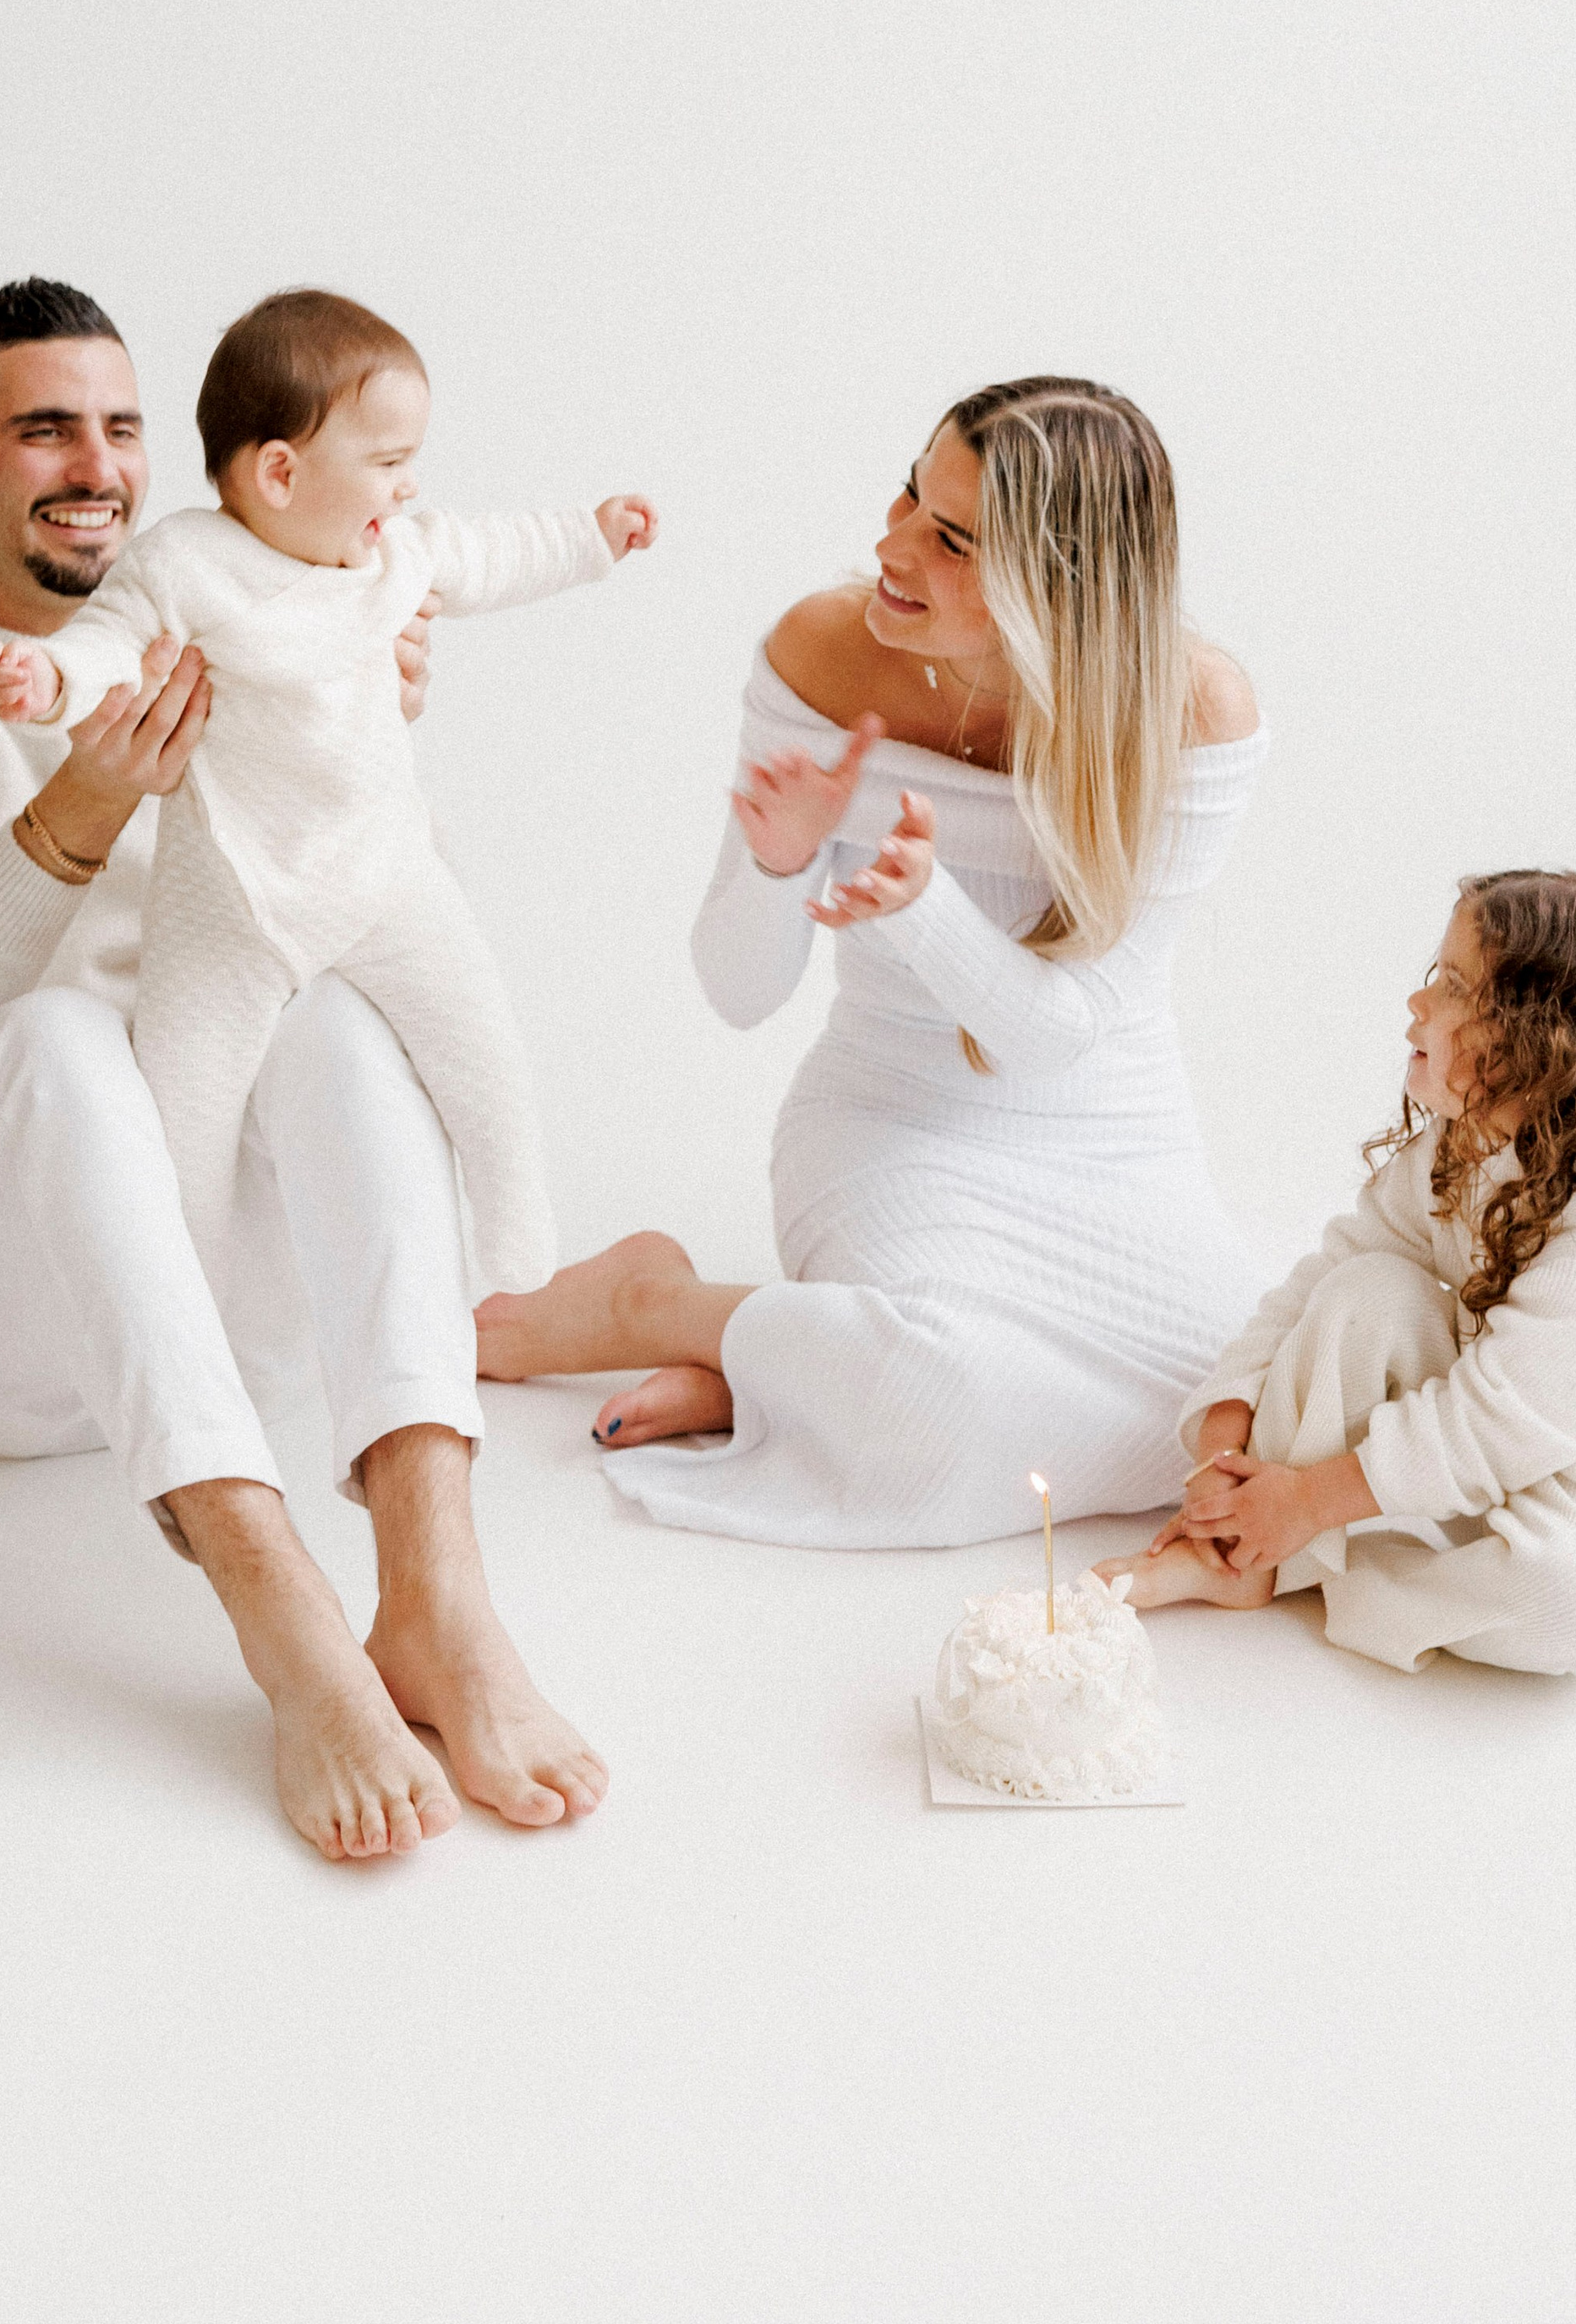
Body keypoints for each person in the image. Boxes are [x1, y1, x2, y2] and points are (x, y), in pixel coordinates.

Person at [0, 275, 608, 1861]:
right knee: (51, 1035)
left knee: (337, 1004)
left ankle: (437, 1596)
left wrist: (351, 738)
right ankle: (286, 1620)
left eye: (123, 428)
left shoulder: (259, 612)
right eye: (43, 430)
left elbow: (386, 931)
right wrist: (74, 813)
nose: (98, 468)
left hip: (204, 1281)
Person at [477, 375, 1270, 1547]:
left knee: (1234, 1414)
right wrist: (782, 859)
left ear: (1058, 582)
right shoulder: (823, 651)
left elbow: (1056, 1035)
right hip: (893, 1125)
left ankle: (758, 1365)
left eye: (952, 540)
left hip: (1109, 1137)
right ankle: (651, 1302)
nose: (892, 545)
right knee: (943, 1397)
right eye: (910, 495)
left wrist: (922, 905)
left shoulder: (1192, 707)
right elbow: (738, 993)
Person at [0, 287, 656, 1294]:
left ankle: (514, 1227)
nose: (408, 485)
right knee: (183, 1104)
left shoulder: (397, 552)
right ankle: (195, 1291)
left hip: (384, 868)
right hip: (230, 894)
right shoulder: (187, 563)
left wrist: (591, 537)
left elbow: (495, 552)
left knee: (478, 1047)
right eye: (387, 462)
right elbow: (110, 641)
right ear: (281, 473)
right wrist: (49, 679)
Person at [1101, 872, 1576, 1675]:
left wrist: (1306, 1501)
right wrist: (1224, 1436)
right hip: (1489, 1452)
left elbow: (1501, 1423)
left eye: (1454, 986)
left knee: (1571, 1598)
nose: (1418, 1002)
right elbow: (1324, 1277)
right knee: (1364, 1292)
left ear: (1543, 1046)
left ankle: (1300, 1553)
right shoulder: (1465, 1146)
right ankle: (1236, 1551)